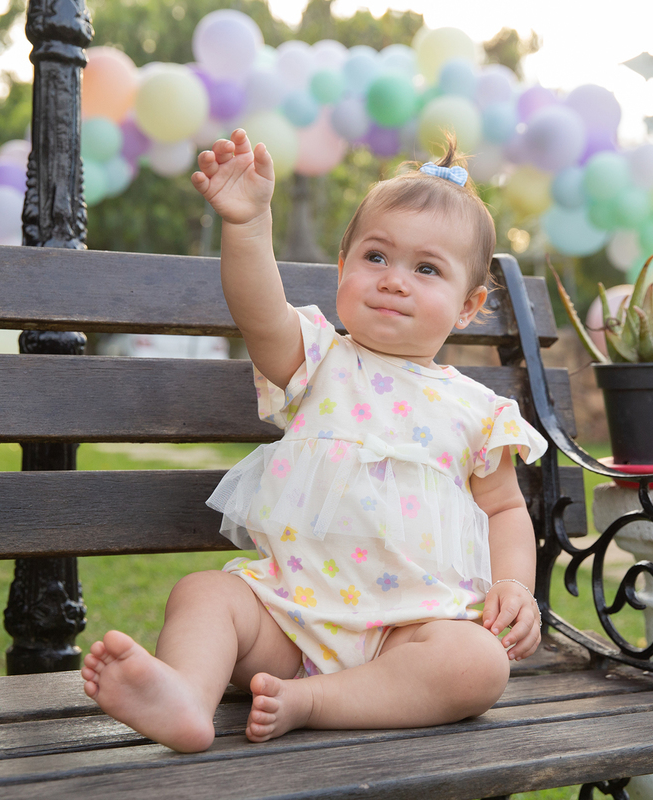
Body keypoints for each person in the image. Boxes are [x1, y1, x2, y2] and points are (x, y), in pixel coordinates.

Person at [82, 128, 548, 754]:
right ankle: (185, 698)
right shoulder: (320, 357)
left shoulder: (480, 411)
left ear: (469, 306)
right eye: (376, 257)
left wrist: (515, 587)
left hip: (408, 634)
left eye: (427, 268)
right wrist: (247, 223)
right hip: (287, 616)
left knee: (478, 663)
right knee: (206, 593)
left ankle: (314, 702)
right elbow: (259, 313)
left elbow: (504, 509)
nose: (393, 280)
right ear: (343, 269)